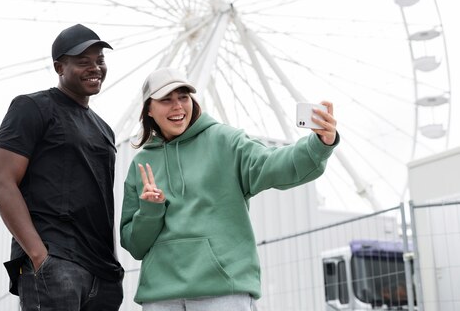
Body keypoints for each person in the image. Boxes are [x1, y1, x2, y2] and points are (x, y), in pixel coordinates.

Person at [120, 67, 339, 310]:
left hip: (222, 292)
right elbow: (134, 245)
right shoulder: (141, 164)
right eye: (166, 100)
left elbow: (272, 164)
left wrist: (319, 144)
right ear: (148, 109)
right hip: (160, 297)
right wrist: (150, 210)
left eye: (183, 97)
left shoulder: (224, 141)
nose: (178, 106)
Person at [0, 24, 124, 311]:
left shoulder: (105, 130)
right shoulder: (32, 107)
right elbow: (1, 183)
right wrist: (39, 256)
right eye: (83, 61)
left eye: (100, 60)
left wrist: (113, 270)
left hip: (102, 275)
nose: (95, 68)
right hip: (56, 262)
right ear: (59, 66)